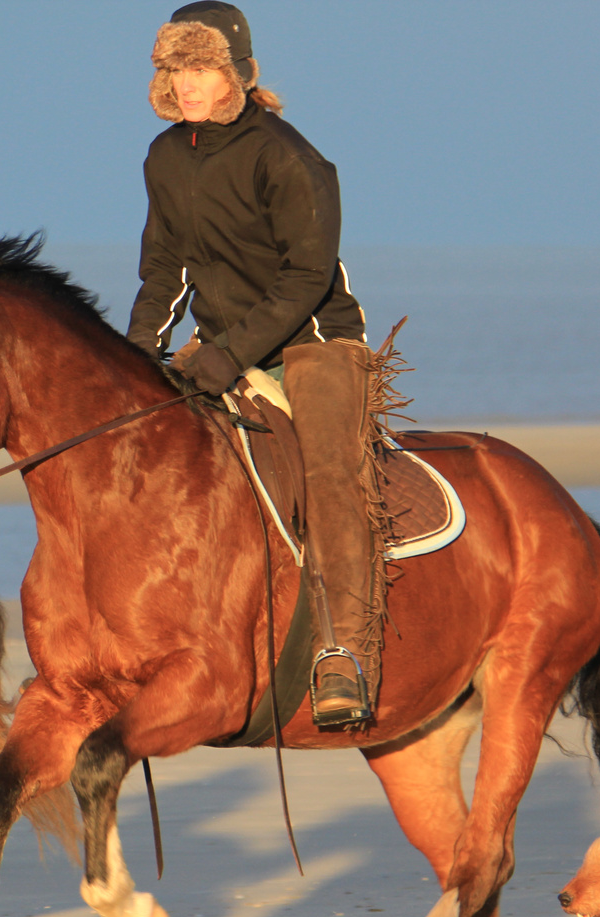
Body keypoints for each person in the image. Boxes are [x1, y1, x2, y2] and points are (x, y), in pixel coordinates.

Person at [126, 2, 381, 726]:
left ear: (237, 72)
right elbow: (164, 269)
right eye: (176, 70)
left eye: (203, 67)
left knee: (333, 476)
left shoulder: (290, 158)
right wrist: (136, 356)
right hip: (220, 342)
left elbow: (305, 279)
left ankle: (343, 656)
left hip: (315, 342)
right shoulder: (165, 157)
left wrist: (231, 355)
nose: (190, 85)